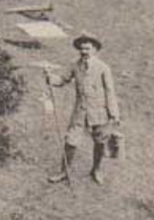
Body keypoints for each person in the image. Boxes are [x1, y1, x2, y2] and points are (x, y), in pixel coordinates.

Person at [44, 33, 120, 184]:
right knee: (71, 140)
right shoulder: (74, 64)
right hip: (80, 111)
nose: (84, 52)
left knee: (100, 142)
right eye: (82, 49)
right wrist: (50, 78)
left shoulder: (103, 68)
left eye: (88, 48)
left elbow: (110, 91)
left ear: (95, 50)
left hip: (100, 112)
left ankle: (96, 170)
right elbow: (63, 80)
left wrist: (114, 114)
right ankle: (64, 172)